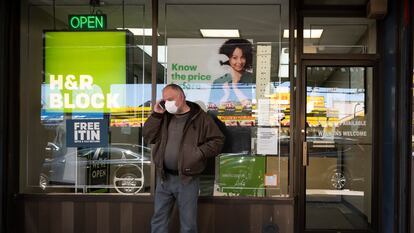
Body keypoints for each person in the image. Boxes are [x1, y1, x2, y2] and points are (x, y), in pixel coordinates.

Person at [143, 84, 225, 233]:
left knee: (188, 225)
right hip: (164, 178)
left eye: (170, 99)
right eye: (164, 100)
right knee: (158, 221)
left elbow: (218, 141)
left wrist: (198, 153)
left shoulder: (201, 118)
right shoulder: (164, 117)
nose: (167, 103)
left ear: (181, 97)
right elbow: (148, 136)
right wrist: (156, 114)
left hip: (187, 180)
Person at [210, 38, 254, 105]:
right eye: (234, 58)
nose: (239, 61)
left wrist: (235, 87)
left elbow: (254, 107)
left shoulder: (253, 79)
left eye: (243, 57)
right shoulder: (219, 82)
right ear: (227, 58)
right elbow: (212, 109)